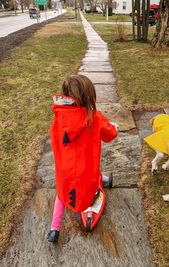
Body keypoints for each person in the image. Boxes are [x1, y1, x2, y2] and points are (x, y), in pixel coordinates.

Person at [48, 74, 118, 242]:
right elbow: (110, 134)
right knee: (91, 183)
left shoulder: (59, 118)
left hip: (65, 170)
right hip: (87, 172)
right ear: (88, 97)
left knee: (61, 194)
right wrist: (114, 127)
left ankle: (54, 229)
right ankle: (95, 193)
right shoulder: (95, 117)